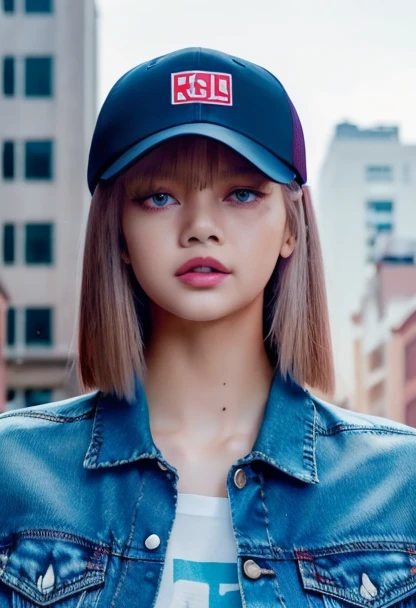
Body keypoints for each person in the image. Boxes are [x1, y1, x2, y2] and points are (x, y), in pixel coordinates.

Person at [0, 47, 415, 608]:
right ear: (117, 232)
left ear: (291, 226)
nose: (200, 228)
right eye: (159, 196)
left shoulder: (400, 485)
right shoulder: (14, 473)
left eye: (241, 194)